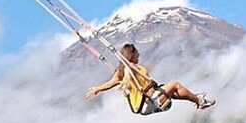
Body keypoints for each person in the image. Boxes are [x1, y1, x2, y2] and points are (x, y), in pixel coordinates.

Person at [85, 43, 215, 115]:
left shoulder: (126, 69)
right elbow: (119, 80)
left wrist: (98, 89)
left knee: (172, 90)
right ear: (131, 55)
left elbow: (112, 82)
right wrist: (101, 88)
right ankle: (199, 101)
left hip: (150, 100)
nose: (139, 55)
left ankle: (194, 98)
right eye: (137, 54)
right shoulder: (127, 70)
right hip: (149, 102)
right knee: (175, 84)